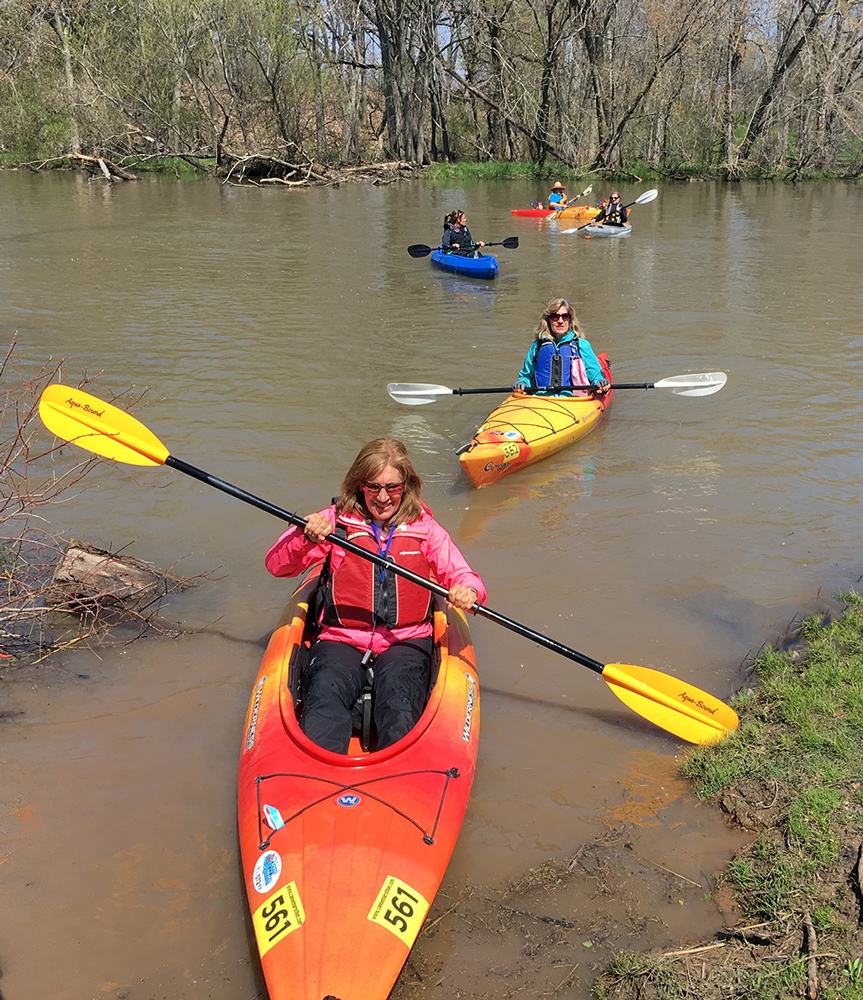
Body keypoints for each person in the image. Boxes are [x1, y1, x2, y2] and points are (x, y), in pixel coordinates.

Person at [265, 438, 487, 755]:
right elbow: (276, 565)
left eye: (392, 487)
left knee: (399, 702)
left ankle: (400, 776)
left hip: (406, 639)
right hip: (341, 638)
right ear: (359, 484)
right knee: (324, 699)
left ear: (407, 486)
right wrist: (303, 536)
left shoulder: (426, 530)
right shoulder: (334, 522)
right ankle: (319, 773)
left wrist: (469, 591)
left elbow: (464, 575)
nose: (383, 497)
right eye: (373, 486)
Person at [512, 298, 611, 397]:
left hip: (572, 401)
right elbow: (526, 375)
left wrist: (600, 382)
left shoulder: (581, 345)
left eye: (565, 316)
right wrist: (522, 383)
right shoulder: (537, 346)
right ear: (548, 320)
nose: (560, 321)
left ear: (570, 320)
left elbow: (594, 375)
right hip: (541, 399)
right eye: (555, 316)